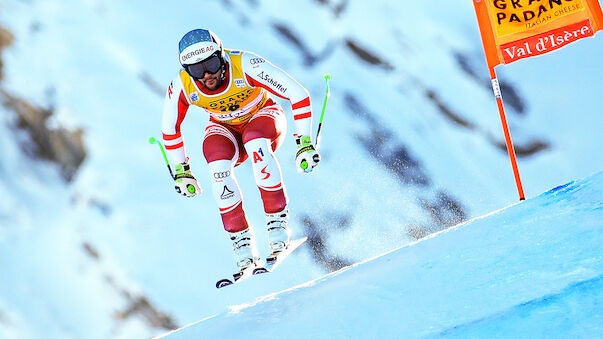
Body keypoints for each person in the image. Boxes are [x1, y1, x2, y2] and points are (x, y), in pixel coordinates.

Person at [160, 29, 320, 272]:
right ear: (186, 70)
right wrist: (182, 171)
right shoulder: (181, 84)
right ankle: (242, 245)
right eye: (196, 70)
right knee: (217, 165)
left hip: (262, 116)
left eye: (212, 64)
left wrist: (304, 143)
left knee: (256, 142)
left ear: (222, 57)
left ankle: (278, 227)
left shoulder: (244, 64)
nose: (206, 75)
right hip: (224, 127)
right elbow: (170, 127)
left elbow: (297, 94)